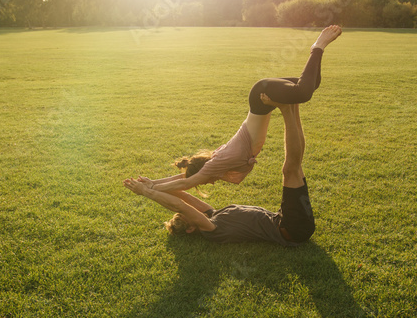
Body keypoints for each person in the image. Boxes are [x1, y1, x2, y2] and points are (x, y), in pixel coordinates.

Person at [144, 25, 342, 192]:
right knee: (311, 84)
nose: (209, 183)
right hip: (260, 97)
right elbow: (184, 177)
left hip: (261, 95)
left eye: (205, 182)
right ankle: (317, 48)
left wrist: (150, 189)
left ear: (203, 172)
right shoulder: (217, 161)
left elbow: (186, 182)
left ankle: (317, 47)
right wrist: (153, 182)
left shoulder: (214, 165)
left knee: (303, 92)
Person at [124, 101, 315, 246]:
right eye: (183, 216)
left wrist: (152, 183)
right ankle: (286, 109)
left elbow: (182, 191)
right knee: (290, 170)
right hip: (290, 229)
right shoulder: (212, 229)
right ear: (191, 228)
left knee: (294, 169)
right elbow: (180, 205)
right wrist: (146, 192)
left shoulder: (212, 214)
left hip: (287, 222)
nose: (188, 211)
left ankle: (293, 106)